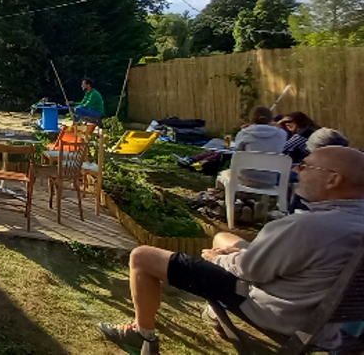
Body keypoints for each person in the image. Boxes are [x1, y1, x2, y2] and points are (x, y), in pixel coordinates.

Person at [98, 146, 364, 354]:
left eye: (306, 166)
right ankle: (217, 317)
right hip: (324, 316)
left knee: (143, 256)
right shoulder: (351, 223)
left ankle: (141, 334)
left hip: (273, 308)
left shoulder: (308, 227)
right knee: (223, 237)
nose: (297, 169)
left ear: (333, 180)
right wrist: (233, 252)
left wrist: (218, 260)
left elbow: (250, 270)